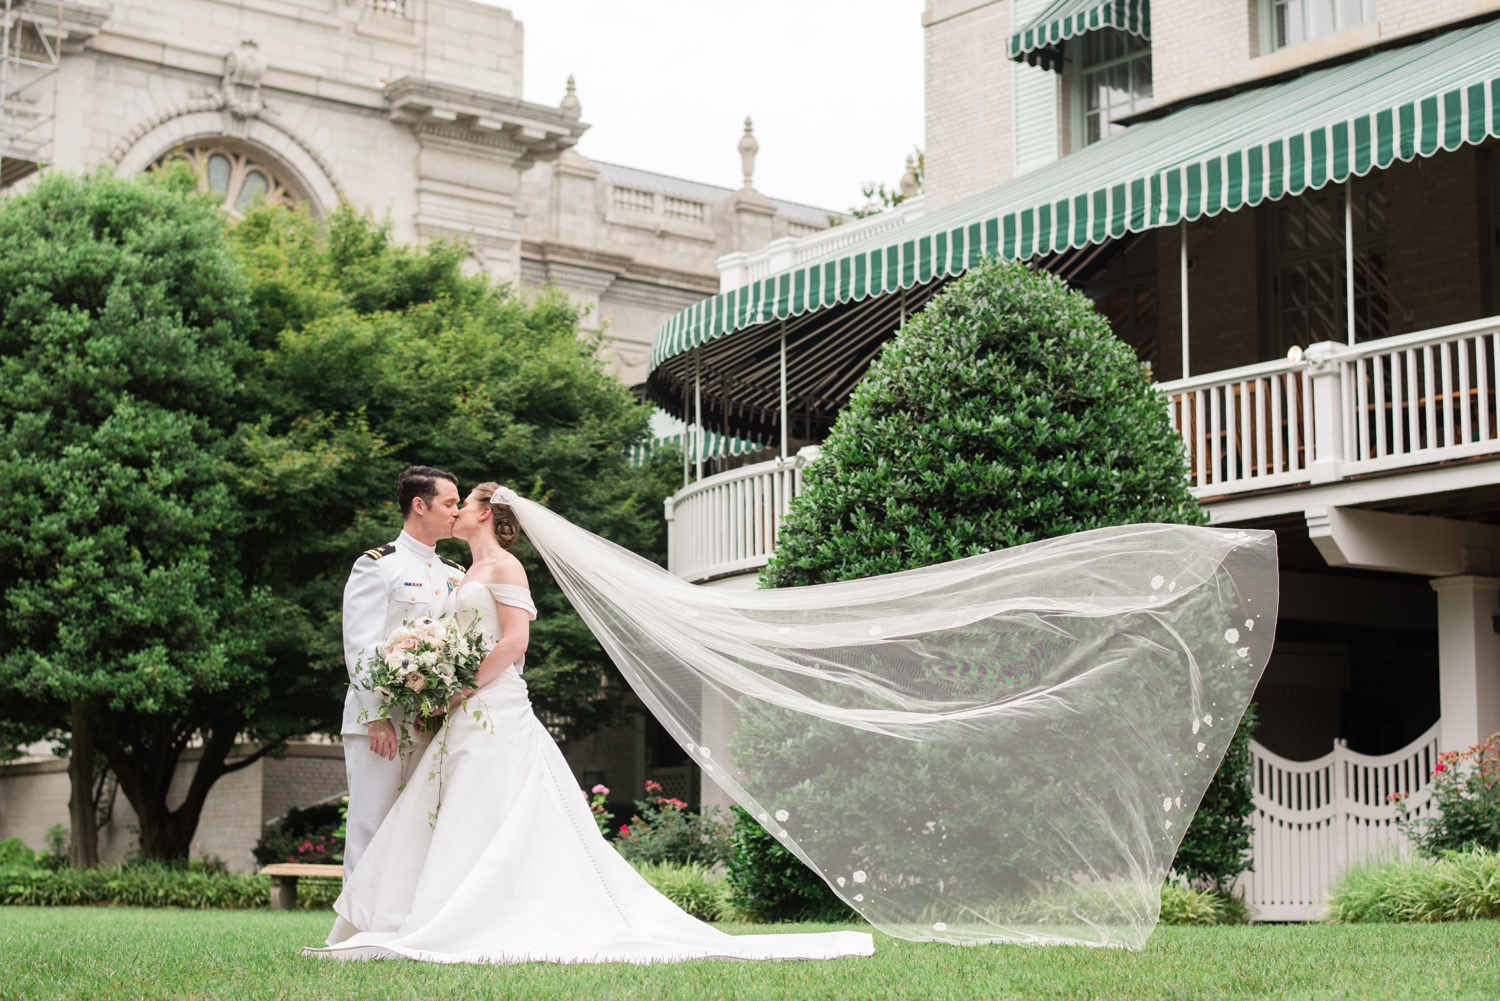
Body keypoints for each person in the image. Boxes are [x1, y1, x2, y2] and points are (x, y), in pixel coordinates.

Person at [308, 483, 873, 964]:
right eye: (447, 501)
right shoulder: (463, 572)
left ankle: (488, 915)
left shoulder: (504, 567)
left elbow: (515, 642)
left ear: (484, 513)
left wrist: (458, 688)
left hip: (491, 705)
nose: (453, 511)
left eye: (463, 502)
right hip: (460, 711)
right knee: (453, 811)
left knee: (495, 803)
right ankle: (430, 910)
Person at [339, 465, 464, 878]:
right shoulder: (378, 566)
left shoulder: (454, 574)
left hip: (430, 722)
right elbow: (360, 646)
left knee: (418, 827)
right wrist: (376, 717)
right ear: (419, 504)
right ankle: (356, 933)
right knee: (370, 824)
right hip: (378, 722)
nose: (456, 512)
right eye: (449, 503)